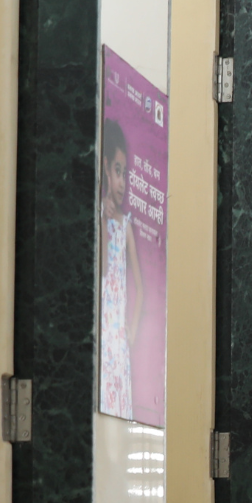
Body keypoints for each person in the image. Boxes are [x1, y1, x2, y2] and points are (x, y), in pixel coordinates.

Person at [98, 120, 145, 419]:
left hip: (118, 343)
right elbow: (102, 270)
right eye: (117, 171)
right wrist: (102, 219)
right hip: (100, 339)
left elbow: (140, 288)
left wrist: (132, 330)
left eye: (124, 173)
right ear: (104, 168)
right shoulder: (99, 218)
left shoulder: (125, 227)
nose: (123, 182)